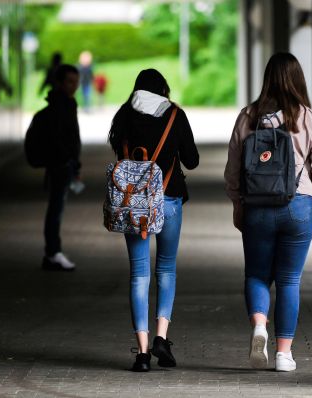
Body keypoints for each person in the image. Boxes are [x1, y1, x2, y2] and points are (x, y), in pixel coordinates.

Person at [223, 53, 312, 372]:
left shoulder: (249, 116)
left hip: (257, 206)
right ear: (298, 79)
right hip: (298, 205)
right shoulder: (308, 117)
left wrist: (238, 203)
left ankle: (259, 325)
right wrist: (310, 185)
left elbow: (233, 170)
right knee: (289, 280)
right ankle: (284, 354)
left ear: (267, 78)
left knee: (257, 274)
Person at [108, 69, 199, 372]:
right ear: (163, 89)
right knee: (167, 268)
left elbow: (118, 153)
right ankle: (162, 336)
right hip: (169, 199)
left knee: (138, 274)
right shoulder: (174, 114)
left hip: (133, 206)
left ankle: (143, 353)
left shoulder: (124, 114)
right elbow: (192, 160)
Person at [40, 64, 82, 271]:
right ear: (59, 82)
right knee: (56, 209)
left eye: (76, 82)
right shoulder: (62, 105)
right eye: (70, 82)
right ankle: (53, 252)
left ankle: (52, 252)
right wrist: (69, 159)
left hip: (63, 163)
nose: (74, 86)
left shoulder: (65, 102)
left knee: (56, 208)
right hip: (61, 164)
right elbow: (64, 137)